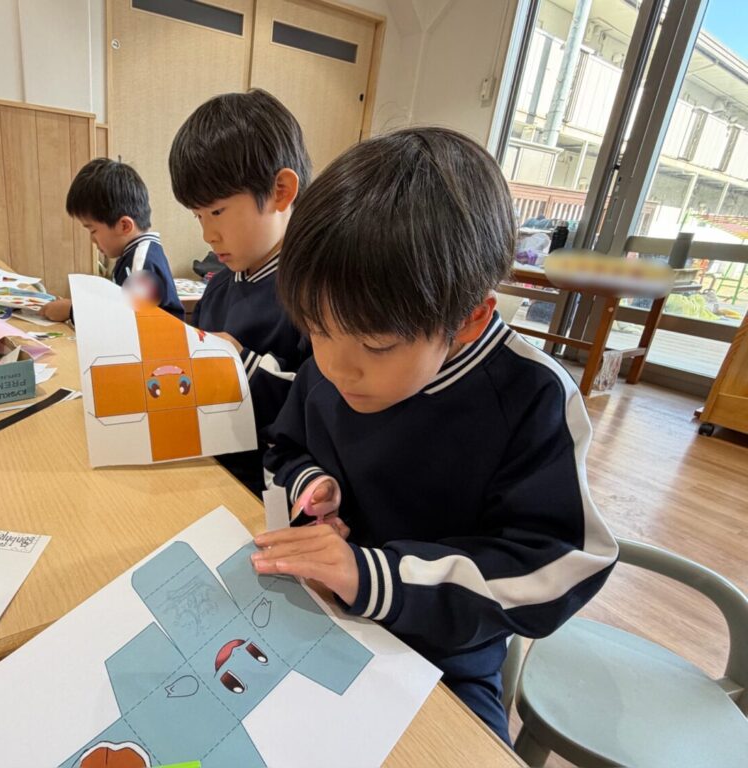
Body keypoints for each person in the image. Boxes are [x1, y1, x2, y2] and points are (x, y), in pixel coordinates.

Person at [253, 128, 618, 744]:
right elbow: (283, 449)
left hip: (444, 657)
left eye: (376, 346)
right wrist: (312, 484)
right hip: (320, 615)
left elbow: (563, 565)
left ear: (471, 318)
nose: (337, 367)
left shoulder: (529, 396)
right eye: (316, 329)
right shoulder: (332, 361)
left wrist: (374, 576)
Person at [168, 89, 312, 493]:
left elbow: (318, 406)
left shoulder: (314, 294)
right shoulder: (217, 288)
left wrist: (240, 362)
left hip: (266, 490)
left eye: (217, 211)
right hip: (206, 470)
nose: (208, 234)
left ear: (281, 191)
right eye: (198, 216)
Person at [41, 158, 183, 322]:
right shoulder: (134, 253)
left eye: (93, 230)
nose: (92, 240)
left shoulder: (140, 261)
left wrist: (74, 311)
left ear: (124, 226)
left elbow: (127, 321)